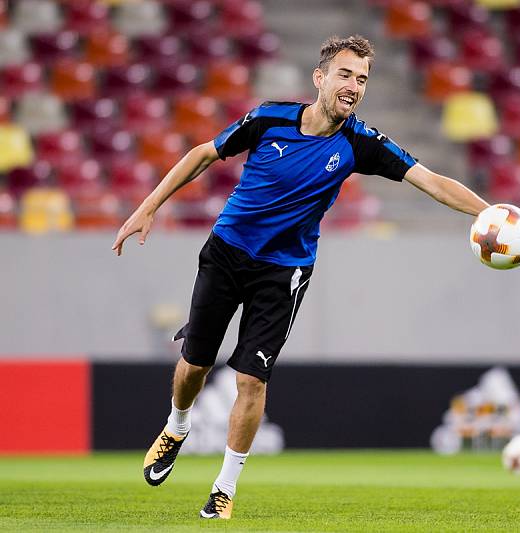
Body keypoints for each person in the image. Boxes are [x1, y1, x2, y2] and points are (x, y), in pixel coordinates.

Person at [111, 35, 490, 519]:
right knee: (194, 366)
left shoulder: (361, 143)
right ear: (320, 78)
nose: (354, 86)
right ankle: (177, 425)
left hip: (284, 272)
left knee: (251, 378)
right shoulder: (270, 118)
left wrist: (492, 213)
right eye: (346, 75)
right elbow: (202, 154)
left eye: (363, 79)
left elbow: (432, 181)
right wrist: (147, 209)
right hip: (226, 253)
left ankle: (224, 490)